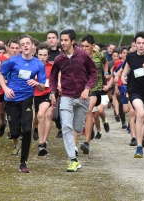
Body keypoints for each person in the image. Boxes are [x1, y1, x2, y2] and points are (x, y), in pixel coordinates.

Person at [49, 29, 97, 172]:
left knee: (76, 127)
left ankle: (75, 147)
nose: (63, 43)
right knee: (66, 127)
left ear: (72, 41)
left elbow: (94, 73)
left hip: (82, 97)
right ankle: (73, 159)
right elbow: (52, 77)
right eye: (61, 40)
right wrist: (53, 93)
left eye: (65, 40)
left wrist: (87, 88)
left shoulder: (83, 56)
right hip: (66, 96)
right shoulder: (59, 59)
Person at [0, 34, 46, 173]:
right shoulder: (13, 61)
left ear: (32, 46)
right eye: (22, 44)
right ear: (20, 47)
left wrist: (36, 83)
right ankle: (9, 126)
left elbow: (42, 86)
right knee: (15, 132)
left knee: (27, 130)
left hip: (26, 99)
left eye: (27, 43)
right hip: (11, 100)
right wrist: (6, 89)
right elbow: (0, 75)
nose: (25, 46)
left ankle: (23, 162)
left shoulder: (38, 64)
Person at [79, 34, 109, 154]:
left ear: (93, 46)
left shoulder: (99, 55)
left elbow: (105, 62)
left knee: (89, 111)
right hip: (83, 88)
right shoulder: (80, 57)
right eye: (82, 46)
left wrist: (106, 72)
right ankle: (88, 131)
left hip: (96, 89)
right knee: (84, 113)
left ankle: (87, 142)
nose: (84, 48)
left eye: (87, 46)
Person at [33, 43, 54, 156]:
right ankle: (37, 131)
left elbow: (56, 80)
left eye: (45, 55)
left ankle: (42, 143)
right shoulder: (32, 65)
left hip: (46, 95)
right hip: (32, 95)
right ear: (36, 54)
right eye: (40, 54)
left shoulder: (52, 67)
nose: (42, 57)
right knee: (36, 119)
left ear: (48, 55)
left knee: (42, 115)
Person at [45, 30, 62, 139]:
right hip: (44, 85)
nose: (51, 39)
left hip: (58, 85)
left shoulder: (61, 54)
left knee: (56, 111)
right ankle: (38, 128)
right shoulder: (43, 52)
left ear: (57, 39)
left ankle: (60, 128)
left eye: (53, 37)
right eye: (49, 37)